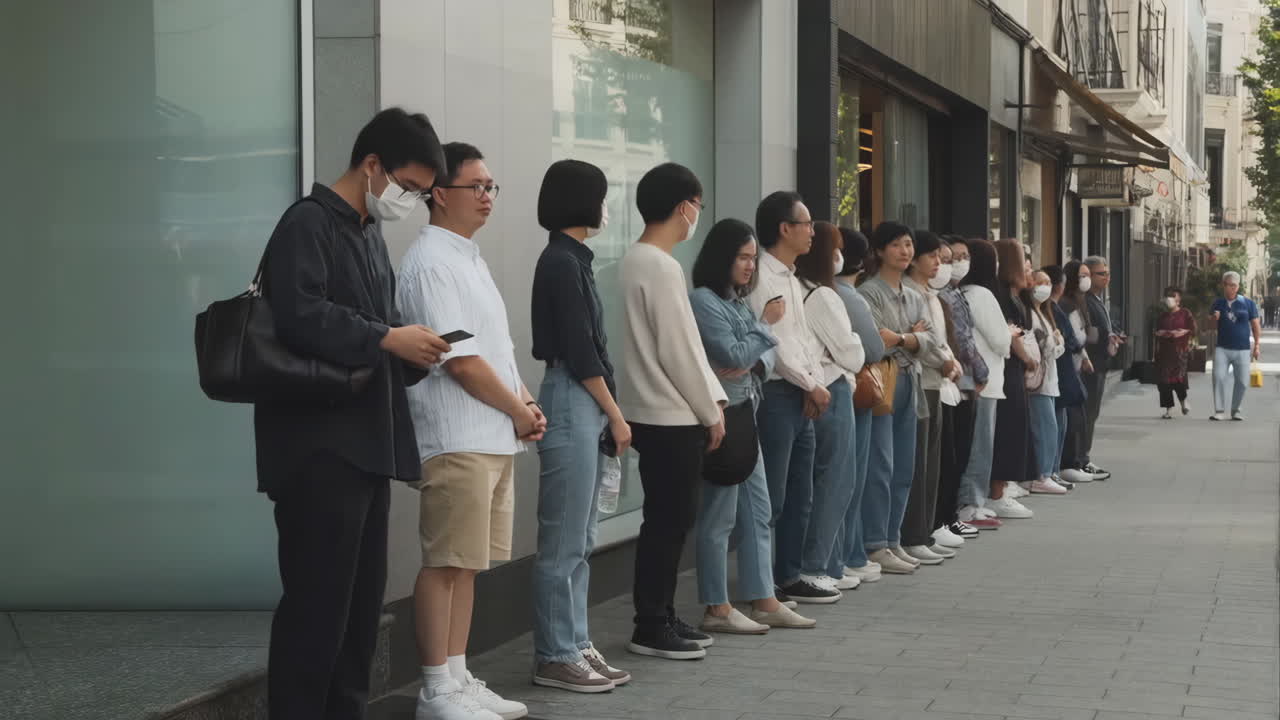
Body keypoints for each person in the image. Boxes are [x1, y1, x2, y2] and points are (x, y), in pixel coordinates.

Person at [256, 108, 450, 720]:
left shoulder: (368, 232)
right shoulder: (307, 223)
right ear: (373, 166)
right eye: (410, 187)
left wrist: (415, 346)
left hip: (364, 445)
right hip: (317, 448)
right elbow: (299, 316)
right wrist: (388, 339)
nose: (411, 201)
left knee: (360, 609)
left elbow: (378, 325)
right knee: (317, 606)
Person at [399, 142, 538, 720]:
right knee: (446, 561)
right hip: (458, 434)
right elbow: (458, 359)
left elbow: (493, 350)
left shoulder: (466, 256)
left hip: (490, 432)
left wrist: (523, 400)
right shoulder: (431, 260)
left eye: (490, 187)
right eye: (474, 186)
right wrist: (517, 409)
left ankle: (458, 676)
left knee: (469, 562)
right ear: (439, 194)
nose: (486, 196)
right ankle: (436, 688)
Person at [528, 160, 631, 693]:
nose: (607, 206)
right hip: (573, 396)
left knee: (582, 537)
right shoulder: (560, 263)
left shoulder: (574, 260)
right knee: (564, 539)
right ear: (582, 199)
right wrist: (614, 413)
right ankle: (554, 654)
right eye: (602, 194)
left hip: (582, 397)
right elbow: (579, 348)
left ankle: (575, 641)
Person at [618, 162, 726, 659]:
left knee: (663, 520)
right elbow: (681, 350)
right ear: (684, 206)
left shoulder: (633, 259)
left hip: (648, 409)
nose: (696, 216)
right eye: (697, 206)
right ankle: (652, 623)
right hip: (671, 413)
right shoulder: (661, 265)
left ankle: (658, 615)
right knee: (670, 521)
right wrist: (712, 410)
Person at [690, 219, 817, 632]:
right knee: (719, 516)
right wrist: (763, 327)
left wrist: (749, 351)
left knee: (760, 510)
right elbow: (730, 353)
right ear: (721, 257)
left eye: (751, 258)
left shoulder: (737, 303)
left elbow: (753, 362)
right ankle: (717, 607)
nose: (749, 266)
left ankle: (764, 598)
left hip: (747, 413)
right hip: (722, 417)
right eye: (742, 258)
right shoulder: (705, 301)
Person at [744, 192, 835, 602]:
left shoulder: (792, 278)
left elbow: (803, 341)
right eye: (807, 224)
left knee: (802, 492)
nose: (813, 232)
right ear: (785, 228)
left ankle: (789, 574)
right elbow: (775, 346)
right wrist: (809, 384)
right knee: (773, 496)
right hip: (779, 395)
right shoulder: (760, 276)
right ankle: (761, 585)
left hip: (803, 393)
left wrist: (815, 383)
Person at [859, 222, 935, 574]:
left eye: (908, 244)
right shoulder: (869, 292)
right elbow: (877, 338)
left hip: (912, 382)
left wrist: (902, 339)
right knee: (881, 465)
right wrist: (911, 338)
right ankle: (875, 543)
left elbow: (929, 342)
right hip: (885, 381)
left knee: (905, 466)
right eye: (896, 245)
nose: (905, 251)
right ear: (878, 251)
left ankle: (893, 539)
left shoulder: (916, 294)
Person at [793, 222, 866, 589]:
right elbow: (853, 353)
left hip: (811, 387)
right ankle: (817, 565)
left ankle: (826, 564)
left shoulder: (797, 288)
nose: (841, 257)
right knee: (835, 480)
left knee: (817, 481)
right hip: (830, 388)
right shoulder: (823, 295)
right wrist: (853, 339)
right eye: (835, 249)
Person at [828, 227, 888, 585]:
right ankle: (848, 554)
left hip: (842, 389)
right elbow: (875, 347)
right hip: (851, 393)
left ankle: (847, 554)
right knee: (851, 477)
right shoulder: (848, 296)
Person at [899, 230, 963, 563]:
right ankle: (913, 534)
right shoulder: (910, 292)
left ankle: (926, 529)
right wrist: (947, 360)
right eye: (933, 256)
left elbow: (938, 337)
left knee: (933, 463)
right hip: (922, 380)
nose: (939, 263)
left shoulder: (930, 293)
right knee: (919, 464)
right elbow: (921, 341)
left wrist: (951, 360)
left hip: (938, 383)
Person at [955, 239, 1010, 529]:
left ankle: (971, 502)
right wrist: (1011, 338)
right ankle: (971, 504)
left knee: (975, 443)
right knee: (980, 445)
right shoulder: (982, 295)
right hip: (984, 380)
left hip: (973, 380)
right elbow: (1000, 340)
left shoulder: (961, 292)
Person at [935, 237, 985, 538]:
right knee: (953, 455)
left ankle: (949, 516)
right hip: (958, 381)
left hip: (960, 382)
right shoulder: (945, 295)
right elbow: (963, 340)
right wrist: (982, 371)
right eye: (951, 258)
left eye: (964, 256)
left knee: (959, 453)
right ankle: (946, 517)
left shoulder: (955, 292)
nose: (958, 263)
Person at [1024, 270, 1069, 495]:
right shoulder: (1030, 315)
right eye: (1040, 282)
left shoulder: (1043, 313)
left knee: (1051, 428)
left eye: (1049, 283)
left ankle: (1047, 472)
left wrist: (1057, 342)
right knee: (1045, 428)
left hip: (1050, 379)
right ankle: (1041, 474)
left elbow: (1052, 350)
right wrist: (1058, 342)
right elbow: (1044, 349)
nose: (1045, 286)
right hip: (1038, 382)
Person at [1044, 265, 1087, 490]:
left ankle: (1054, 469)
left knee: (1059, 424)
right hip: (1056, 375)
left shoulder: (1054, 307)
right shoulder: (1055, 307)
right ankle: (1052, 469)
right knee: (1053, 426)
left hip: (1059, 375)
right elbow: (1069, 338)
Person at [1080, 256, 1121, 480]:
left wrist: (1111, 336)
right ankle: (1080, 459)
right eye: (1100, 273)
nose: (1106, 277)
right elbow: (1087, 333)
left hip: (1100, 364)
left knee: (1092, 412)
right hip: (1088, 365)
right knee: (1086, 413)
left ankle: (1084, 456)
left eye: (1107, 273)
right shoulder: (1084, 301)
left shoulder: (1097, 300)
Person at [1057, 261, 1097, 486]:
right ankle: (1069, 463)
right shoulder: (1066, 304)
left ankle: (1079, 460)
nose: (1086, 279)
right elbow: (1072, 337)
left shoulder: (1079, 302)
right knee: (1073, 416)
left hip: (1076, 364)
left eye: (1088, 274)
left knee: (1080, 415)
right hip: (1068, 367)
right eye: (1082, 275)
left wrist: (1085, 357)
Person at [1210, 271, 1262, 421]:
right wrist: (1214, 318)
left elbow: (1255, 325)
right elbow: (1209, 326)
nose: (1230, 288)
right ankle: (1219, 410)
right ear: (1223, 286)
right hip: (1222, 348)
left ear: (1238, 286)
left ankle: (1236, 410)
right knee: (1218, 377)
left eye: (1233, 285)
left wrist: (1257, 345)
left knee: (1243, 381)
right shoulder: (1217, 303)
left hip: (1243, 348)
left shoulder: (1247, 303)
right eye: (1227, 285)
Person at [1154, 286, 1196, 420]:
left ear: (1179, 299)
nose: (1170, 299)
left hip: (1180, 352)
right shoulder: (1162, 316)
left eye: (1173, 296)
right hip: (1165, 352)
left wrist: (1184, 333)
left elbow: (1193, 329)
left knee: (1178, 379)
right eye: (1168, 297)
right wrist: (1161, 333)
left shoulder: (1185, 313)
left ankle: (1183, 402)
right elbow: (1156, 331)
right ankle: (1168, 409)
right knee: (1164, 381)